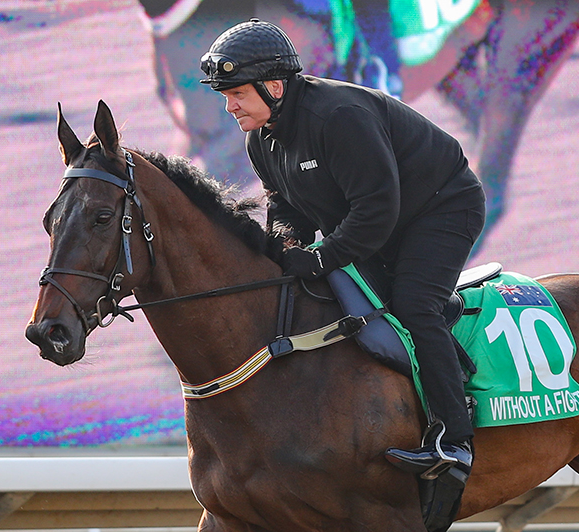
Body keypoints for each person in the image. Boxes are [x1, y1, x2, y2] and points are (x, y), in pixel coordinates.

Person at [199, 18, 485, 482]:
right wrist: (283, 252)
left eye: (237, 94)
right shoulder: (260, 139)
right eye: (225, 95)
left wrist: (317, 257)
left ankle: (455, 439)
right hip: (379, 217)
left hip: (441, 207)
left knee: (413, 301)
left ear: (274, 86)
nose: (229, 106)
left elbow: (375, 211)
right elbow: (285, 206)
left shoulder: (338, 117)